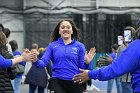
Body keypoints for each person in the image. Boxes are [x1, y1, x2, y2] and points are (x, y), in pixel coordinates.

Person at [30, 19, 96, 93]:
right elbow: (42, 63)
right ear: (59, 31)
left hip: (75, 82)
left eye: (68, 27)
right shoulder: (52, 46)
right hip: (57, 83)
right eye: (63, 27)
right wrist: (35, 60)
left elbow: (82, 68)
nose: (65, 29)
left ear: (72, 30)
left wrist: (87, 62)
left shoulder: (80, 46)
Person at [73, 22, 140, 93]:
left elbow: (116, 68)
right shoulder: (127, 47)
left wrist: (90, 74)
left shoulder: (135, 47)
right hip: (125, 79)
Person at [116, 26, 136, 93]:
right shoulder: (121, 47)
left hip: (133, 79)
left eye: (128, 34)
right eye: (125, 34)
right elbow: (117, 61)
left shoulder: (136, 45)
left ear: (133, 34)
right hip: (123, 79)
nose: (126, 35)